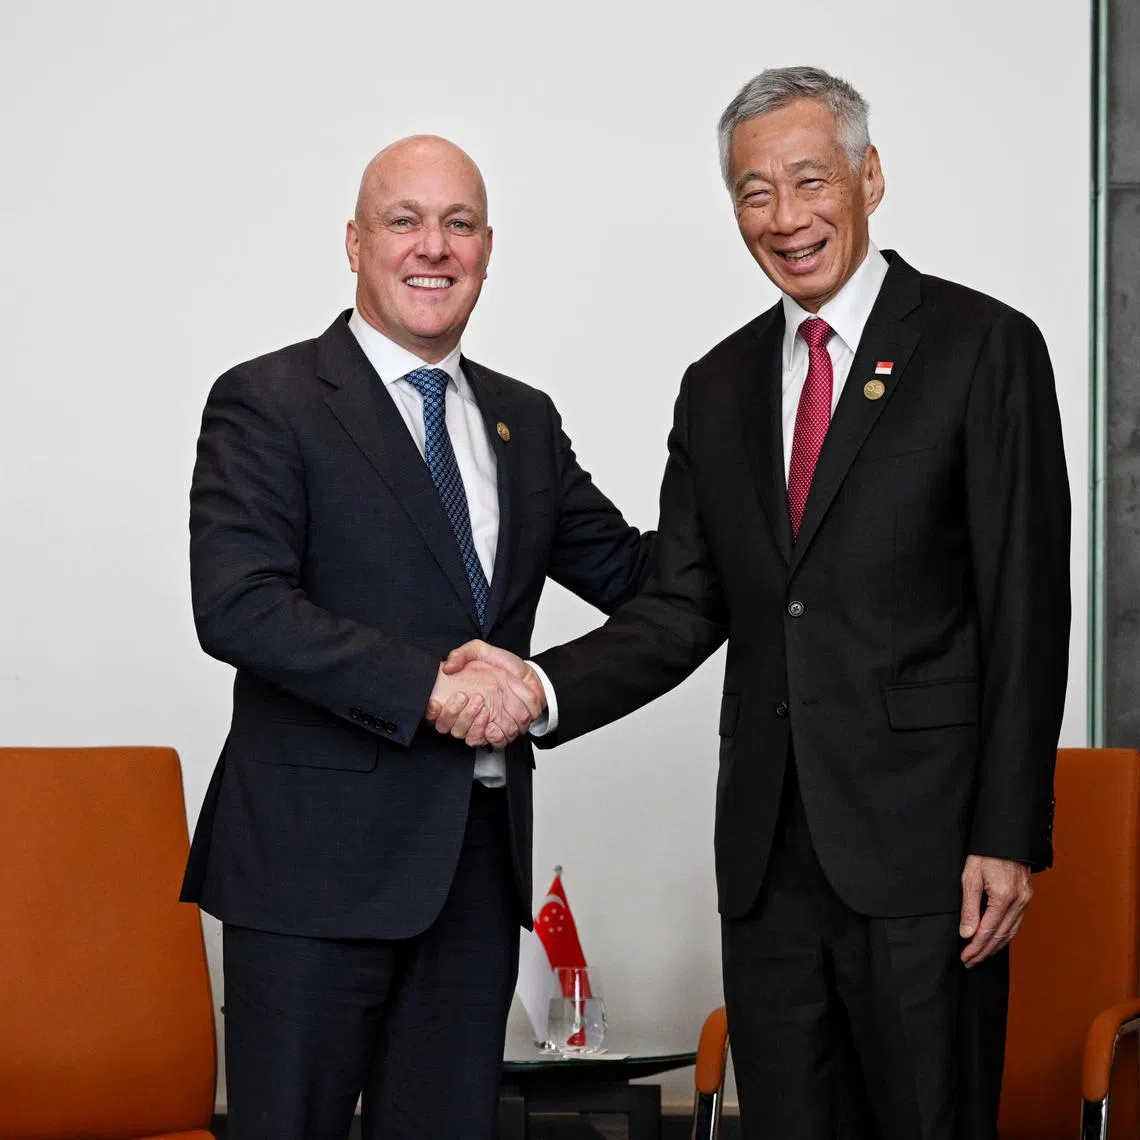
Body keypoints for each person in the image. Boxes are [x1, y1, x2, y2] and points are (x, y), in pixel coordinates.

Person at [438, 68, 1071, 1139]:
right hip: (769, 864)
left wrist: (1008, 834)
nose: (786, 219)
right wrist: (540, 686)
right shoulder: (717, 384)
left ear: (870, 176)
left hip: (928, 859)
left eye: (810, 181)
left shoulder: (982, 348)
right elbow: (685, 606)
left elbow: (1027, 605)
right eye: (753, 193)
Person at [180, 134, 653, 1140]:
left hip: (472, 879)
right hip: (310, 878)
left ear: (488, 248)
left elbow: (638, 576)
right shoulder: (268, 400)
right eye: (404, 221)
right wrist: (430, 689)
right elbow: (238, 603)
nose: (432, 247)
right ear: (354, 242)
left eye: (459, 224)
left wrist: (778, 500)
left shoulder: (523, 419)